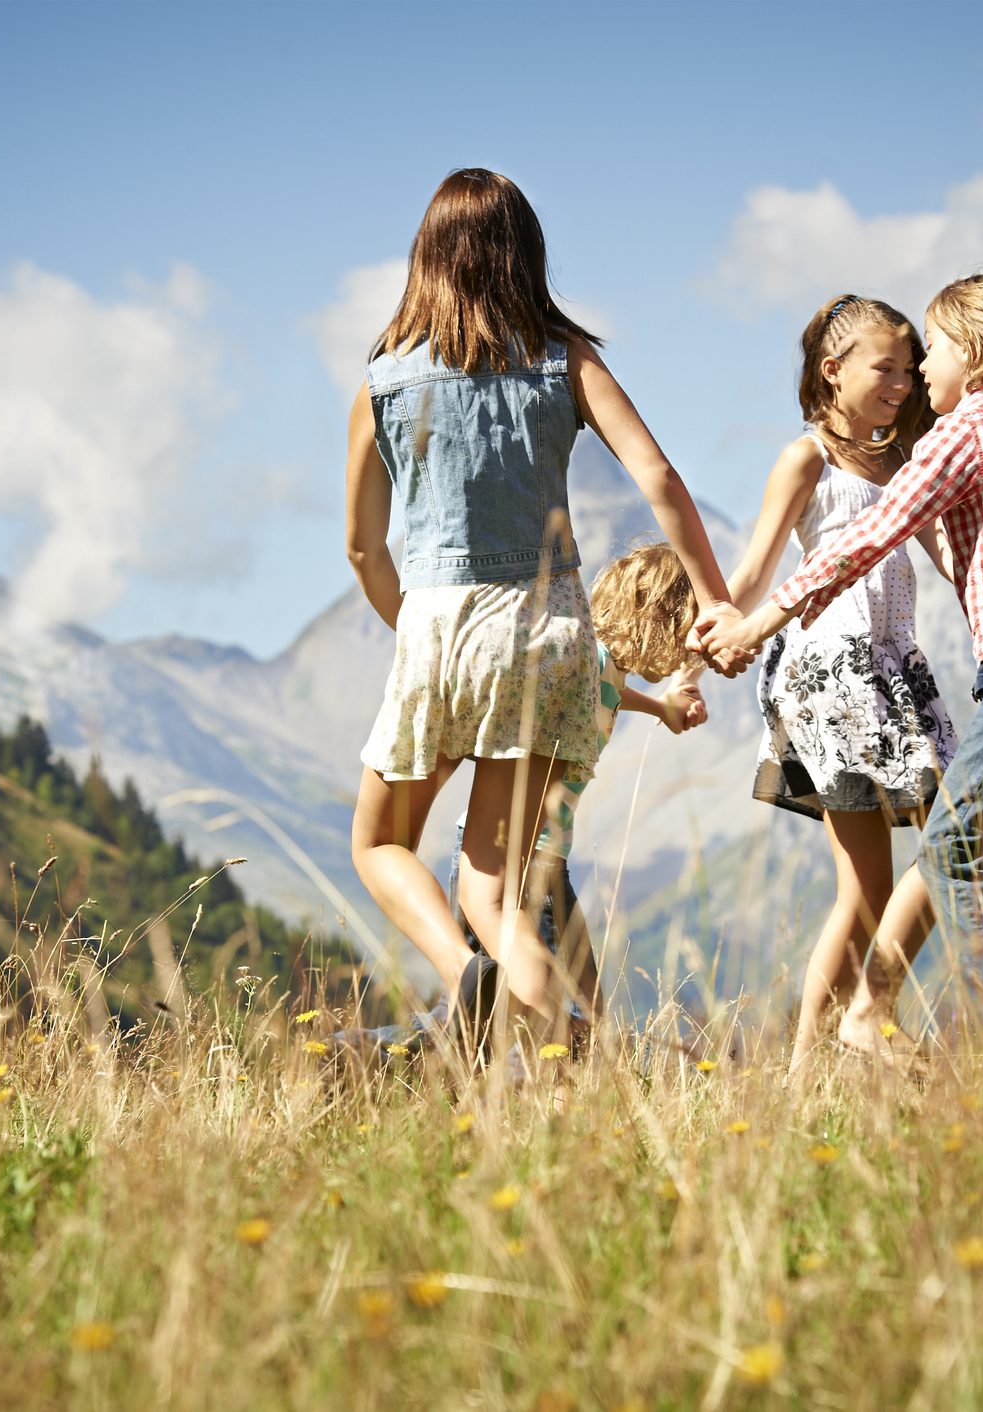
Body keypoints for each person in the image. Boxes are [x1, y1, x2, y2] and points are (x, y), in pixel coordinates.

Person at [344, 168, 738, 1053]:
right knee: (496, 894)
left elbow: (364, 551)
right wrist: (713, 599)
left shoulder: (383, 378)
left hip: (437, 628)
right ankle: (556, 1070)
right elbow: (661, 479)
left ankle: (460, 975)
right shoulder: (567, 359)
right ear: (525, 255)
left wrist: (417, 638)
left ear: (426, 258)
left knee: (378, 845)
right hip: (548, 631)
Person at [695, 268, 983, 1054]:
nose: (921, 371)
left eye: (934, 351)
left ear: (979, 351)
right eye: (897, 362)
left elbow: (882, 540)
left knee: (958, 841)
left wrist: (761, 624)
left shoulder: (960, 436)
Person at [340, 545, 707, 1059]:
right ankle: (368, 1054)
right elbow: (606, 684)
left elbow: (614, 691)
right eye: (684, 629)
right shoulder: (586, 660)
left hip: (543, 855)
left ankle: (386, 1056)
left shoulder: (600, 669)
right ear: (656, 620)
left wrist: (662, 707)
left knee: (552, 1012)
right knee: (544, 1020)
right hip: (517, 857)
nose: (688, 647)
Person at [720, 295, 958, 1075]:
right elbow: (757, 568)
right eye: (884, 368)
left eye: (909, 369)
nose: (903, 382)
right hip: (833, 670)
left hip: (894, 664)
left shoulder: (903, 462)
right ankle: (807, 1067)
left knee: (935, 845)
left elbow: (951, 564)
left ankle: (823, 1056)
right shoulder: (808, 459)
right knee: (870, 883)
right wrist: (714, 633)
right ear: (834, 370)